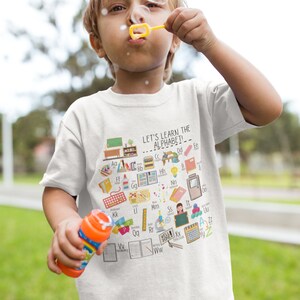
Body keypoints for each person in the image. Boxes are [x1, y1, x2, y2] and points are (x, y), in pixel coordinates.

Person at [40, 0, 282, 299]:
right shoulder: (84, 116)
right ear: (97, 43)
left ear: (175, 38)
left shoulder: (197, 100)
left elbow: (267, 107)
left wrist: (210, 44)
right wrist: (66, 221)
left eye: (151, 4)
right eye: (117, 8)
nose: (135, 15)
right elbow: (58, 189)